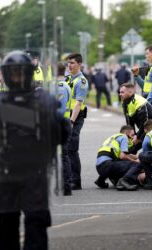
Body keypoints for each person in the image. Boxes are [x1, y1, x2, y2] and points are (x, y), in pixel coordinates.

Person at [0, 50, 70, 250]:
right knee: (6, 223)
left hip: (35, 173)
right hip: (5, 174)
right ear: (6, 75)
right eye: (13, 73)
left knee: (36, 222)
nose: (17, 77)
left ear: (29, 73)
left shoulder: (44, 101)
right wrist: (1, 156)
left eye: (21, 73)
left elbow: (62, 133)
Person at [65, 53, 89, 190]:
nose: (69, 65)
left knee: (72, 149)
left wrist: (71, 121)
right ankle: (67, 177)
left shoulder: (81, 81)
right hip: (66, 116)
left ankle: (76, 181)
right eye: (68, 63)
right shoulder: (67, 78)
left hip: (75, 117)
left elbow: (78, 104)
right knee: (65, 149)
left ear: (79, 64)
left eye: (72, 63)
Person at [119, 83, 152, 152]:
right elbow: (129, 123)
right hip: (145, 128)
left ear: (131, 92)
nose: (120, 94)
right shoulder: (125, 103)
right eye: (119, 92)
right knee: (131, 147)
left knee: (137, 148)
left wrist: (137, 137)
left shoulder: (139, 101)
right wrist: (132, 135)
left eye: (122, 92)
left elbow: (145, 122)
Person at [95, 125, 141, 191]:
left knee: (119, 163)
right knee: (136, 165)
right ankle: (123, 181)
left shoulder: (113, 137)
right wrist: (135, 161)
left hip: (100, 167)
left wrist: (137, 157)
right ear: (126, 133)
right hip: (108, 165)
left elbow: (122, 155)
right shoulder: (124, 137)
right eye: (132, 135)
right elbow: (123, 156)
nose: (133, 137)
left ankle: (100, 180)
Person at [56, 63, 73, 196]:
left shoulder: (60, 87)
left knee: (62, 155)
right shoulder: (64, 85)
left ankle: (65, 185)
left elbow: (60, 109)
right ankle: (62, 185)